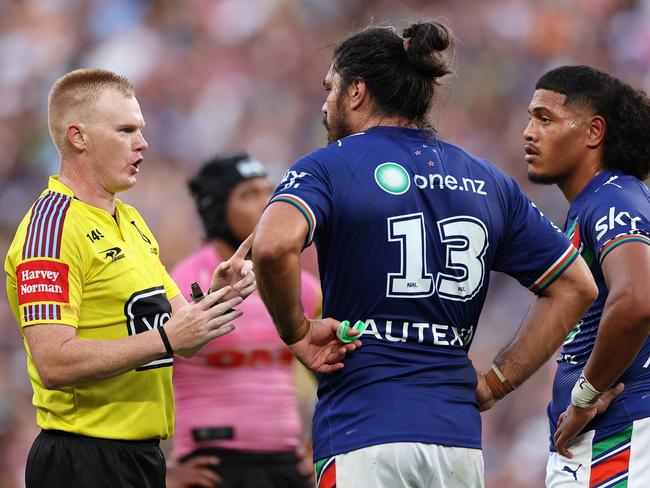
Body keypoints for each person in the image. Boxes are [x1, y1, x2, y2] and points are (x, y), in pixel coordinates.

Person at [251, 21, 597, 488]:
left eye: (329, 88)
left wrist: (295, 330)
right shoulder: (488, 180)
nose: (323, 103)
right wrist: (497, 381)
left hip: (363, 430)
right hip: (457, 443)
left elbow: (273, 246)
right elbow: (576, 284)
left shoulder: (330, 164)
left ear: (356, 91)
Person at [3, 68, 256, 488]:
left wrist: (218, 296)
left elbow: (184, 336)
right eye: (125, 130)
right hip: (82, 458)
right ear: (77, 137)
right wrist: (167, 338)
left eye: (140, 129)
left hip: (140, 456)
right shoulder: (51, 228)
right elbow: (53, 361)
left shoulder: (132, 220)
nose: (143, 143)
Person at [523, 65, 650, 487]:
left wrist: (584, 396)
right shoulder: (600, 201)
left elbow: (636, 301)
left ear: (593, 132)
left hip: (618, 438)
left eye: (545, 118)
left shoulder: (612, 199)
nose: (528, 132)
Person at [166, 153, 320, 488]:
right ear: (216, 209)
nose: (268, 203)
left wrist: (323, 444)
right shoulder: (183, 282)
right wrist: (159, 471)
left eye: (270, 191)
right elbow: (143, 375)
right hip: (211, 467)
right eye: (249, 194)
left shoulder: (303, 288)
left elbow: (334, 372)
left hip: (286, 466)